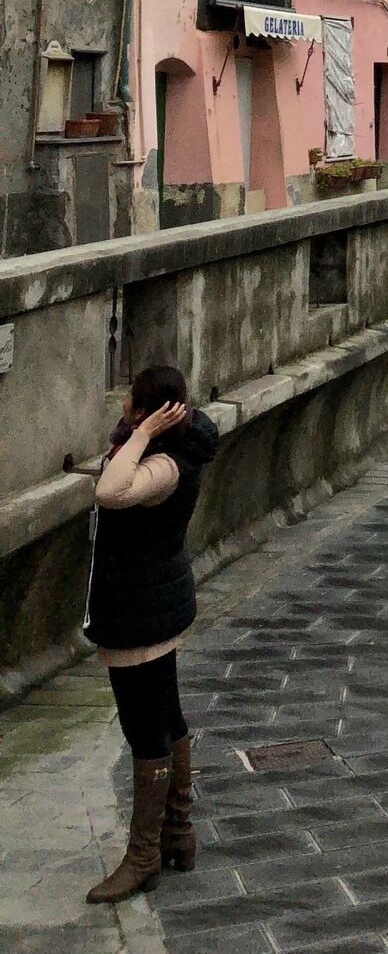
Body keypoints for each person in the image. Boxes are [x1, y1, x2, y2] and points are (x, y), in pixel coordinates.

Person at [84, 365, 219, 902]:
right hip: (156, 601)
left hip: (138, 612)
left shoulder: (163, 464)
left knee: (146, 729)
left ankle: (143, 856)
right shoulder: (184, 441)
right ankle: (179, 834)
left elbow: (110, 492)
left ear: (149, 413)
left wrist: (140, 436)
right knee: (167, 713)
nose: (122, 406)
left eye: (132, 403)